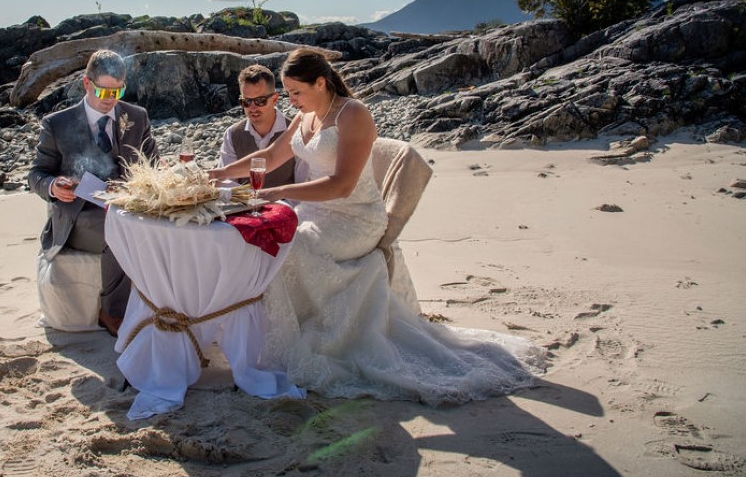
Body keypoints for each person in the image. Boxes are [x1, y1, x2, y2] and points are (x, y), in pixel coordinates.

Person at [209, 47, 540, 404]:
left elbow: (342, 185)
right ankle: (277, 336)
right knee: (270, 239)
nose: (290, 101)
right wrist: (219, 172)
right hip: (315, 212)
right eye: (287, 93)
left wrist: (275, 191)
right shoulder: (304, 117)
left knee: (291, 248)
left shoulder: (353, 114)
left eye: (295, 92)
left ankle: (319, 339)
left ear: (320, 82)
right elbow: (271, 156)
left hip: (355, 218)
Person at [28, 49, 159, 337]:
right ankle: (112, 312)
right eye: (103, 90)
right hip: (79, 215)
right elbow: (36, 174)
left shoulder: (137, 117)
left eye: (118, 90)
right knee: (121, 229)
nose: (110, 98)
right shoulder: (57, 124)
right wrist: (53, 187)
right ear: (87, 84)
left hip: (129, 206)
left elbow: (154, 166)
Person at [218, 64, 302, 188]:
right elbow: (225, 183)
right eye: (246, 102)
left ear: (274, 99)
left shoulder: (296, 131)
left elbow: (304, 182)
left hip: (286, 205)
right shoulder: (232, 134)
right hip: (244, 205)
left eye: (260, 101)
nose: (252, 107)